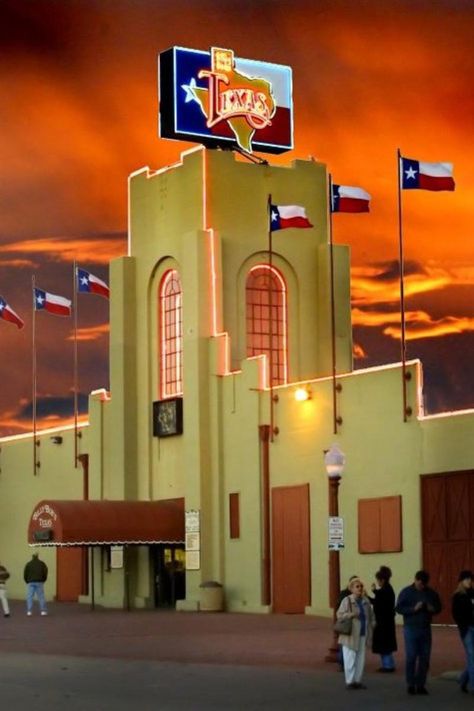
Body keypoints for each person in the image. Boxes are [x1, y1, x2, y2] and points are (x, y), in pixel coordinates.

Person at [396, 570, 442, 695]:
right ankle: (411, 684)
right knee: (411, 656)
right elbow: (398, 608)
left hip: (425, 628)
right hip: (411, 628)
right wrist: (413, 609)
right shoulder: (406, 592)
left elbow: (438, 608)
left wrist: (431, 608)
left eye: (424, 584)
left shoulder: (431, 593)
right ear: (415, 580)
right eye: (420, 584)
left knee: (425, 657)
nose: (422, 586)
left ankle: (421, 684)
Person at [336, 576, 375, 690]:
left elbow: (371, 615)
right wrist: (351, 615)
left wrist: (372, 623)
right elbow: (340, 615)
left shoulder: (365, 601)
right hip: (350, 634)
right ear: (351, 588)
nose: (360, 588)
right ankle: (350, 681)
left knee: (360, 658)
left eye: (361, 586)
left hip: (363, 633)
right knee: (350, 657)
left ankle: (358, 680)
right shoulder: (347, 600)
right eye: (357, 586)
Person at [370, 565, 397, 672]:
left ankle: (388, 665)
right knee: (386, 644)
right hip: (387, 622)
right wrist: (375, 592)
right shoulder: (388, 590)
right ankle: (388, 664)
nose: (377, 583)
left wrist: (371, 594)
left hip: (383, 622)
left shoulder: (384, 591)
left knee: (384, 644)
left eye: (378, 580)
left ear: (382, 580)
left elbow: (378, 603)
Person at [451, 570, 474, 694]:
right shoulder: (458, 596)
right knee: (472, 656)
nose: (469, 581)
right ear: (461, 581)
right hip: (467, 630)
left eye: (470, 579)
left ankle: (463, 679)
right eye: (467, 579)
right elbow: (456, 615)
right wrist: (463, 627)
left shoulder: (472, 594)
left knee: (472, 658)